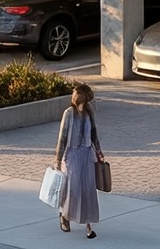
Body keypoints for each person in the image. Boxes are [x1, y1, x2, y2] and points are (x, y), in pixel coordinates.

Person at [53, 82, 105, 238]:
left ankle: (88, 226)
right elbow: (62, 138)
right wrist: (58, 159)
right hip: (72, 155)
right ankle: (64, 215)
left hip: (87, 155)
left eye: (77, 95)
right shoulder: (69, 113)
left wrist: (99, 151)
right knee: (73, 189)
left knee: (88, 189)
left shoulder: (89, 113)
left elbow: (94, 133)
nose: (74, 98)